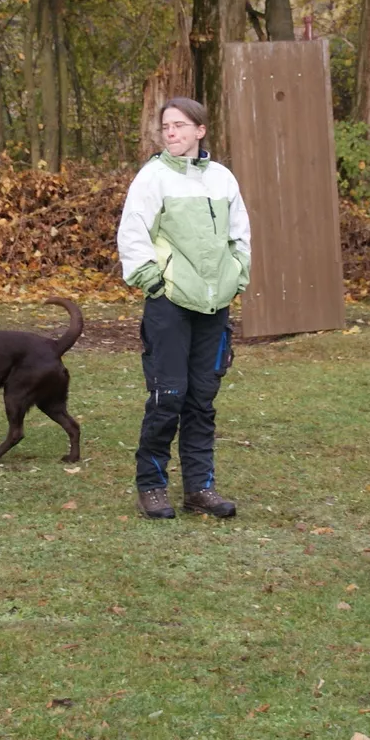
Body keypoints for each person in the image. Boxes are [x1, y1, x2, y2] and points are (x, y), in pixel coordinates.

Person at [116, 97, 251, 519]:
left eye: (179, 125)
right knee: (168, 396)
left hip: (214, 306)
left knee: (201, 400)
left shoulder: (223, 179)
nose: (171, 133)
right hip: (170, 304)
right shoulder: (152, 177)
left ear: (200, 130)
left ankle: (200, 488)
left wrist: (236, 276)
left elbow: (240, 235)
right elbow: (132, 234)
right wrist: (153, 282)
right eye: (166, 126)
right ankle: (152, 486)